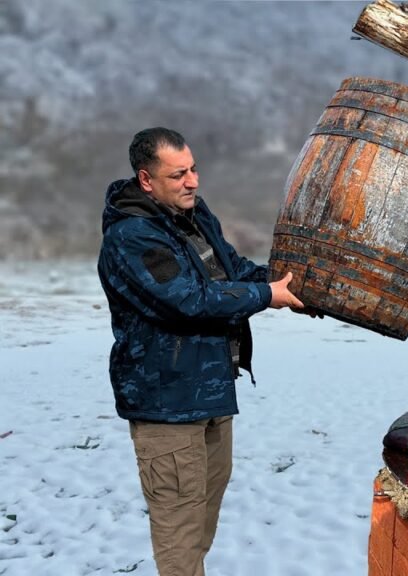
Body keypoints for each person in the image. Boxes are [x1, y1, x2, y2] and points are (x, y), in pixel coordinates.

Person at [97, 127, 303, 575]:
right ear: (146, 180)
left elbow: (232, 270)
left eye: (193, 169)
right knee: (179, 536)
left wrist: (287, 285)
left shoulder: (191, 214)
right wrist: (268, 296)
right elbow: (189, 299)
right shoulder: (132, 237)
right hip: (168, 404)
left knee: (200, 524)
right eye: (178, 175)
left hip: (210, 392)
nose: (192, 182)